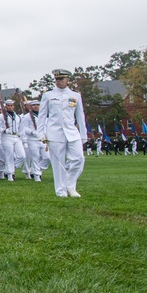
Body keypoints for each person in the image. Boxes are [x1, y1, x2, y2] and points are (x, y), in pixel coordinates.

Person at [37, 69, 87, 198]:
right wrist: (41, 133)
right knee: (58, 164)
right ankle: (61, 191)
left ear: (67, 80)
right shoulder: (48, 95)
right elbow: (42, 116)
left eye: (61, 79)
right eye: (56, 79)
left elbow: (80, 116)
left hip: (71, 132)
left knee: (78, 159)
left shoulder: (76, 96)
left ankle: (70, 185)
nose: (58, 82)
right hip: (55, 133)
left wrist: (83, 134)